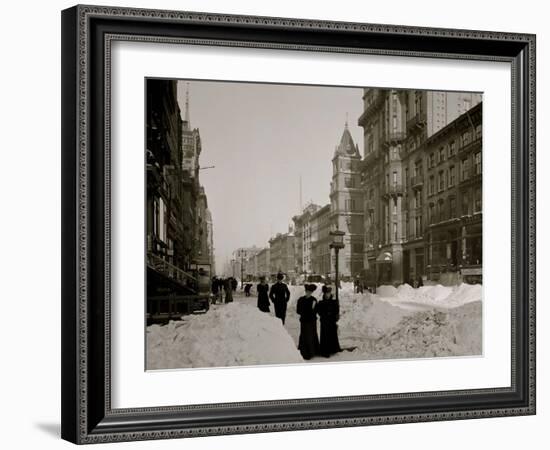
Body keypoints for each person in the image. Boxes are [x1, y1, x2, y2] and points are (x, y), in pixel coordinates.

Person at [315, 285, 341, 357]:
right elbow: (319, 311)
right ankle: (325, 351)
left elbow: (336, 311)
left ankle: (333, 349)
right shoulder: (321, 302)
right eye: (326, 293)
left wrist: (334, 316)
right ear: (324, 294)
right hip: (324, 321)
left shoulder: (334, 302)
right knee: (325, 336)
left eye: (328, 293)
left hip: (332, 321)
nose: (327, 295)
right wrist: (324, 315)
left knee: (332, 335)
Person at [296, 284, 320, 360]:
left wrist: (312, 310)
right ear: (305, 291)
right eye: (307, 291)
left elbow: (316, 311)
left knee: (311, 335)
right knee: (304, 335)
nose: (308, 293)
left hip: (312, 321)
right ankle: (304, 352)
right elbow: (298, 311)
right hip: (304, 321)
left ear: (311, 292)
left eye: (310, 292)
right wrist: (304, 312)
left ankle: (312, 352)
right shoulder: (301, 300)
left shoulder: (314, 300)